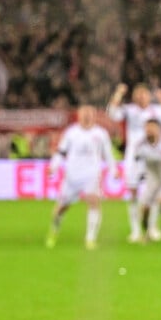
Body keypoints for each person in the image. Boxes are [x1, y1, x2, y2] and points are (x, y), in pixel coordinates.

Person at [45, 104, 116, 250]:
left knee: (94, 202)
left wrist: (113, 169)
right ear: (79, 115)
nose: (87, 116)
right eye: (84, 113)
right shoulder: (71, 133)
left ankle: (90, 239)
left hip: (91, 175)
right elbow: (61, 152)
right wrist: (53, 166)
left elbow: (108, 153)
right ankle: (54, 230)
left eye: (90, 113)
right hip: (72, 176)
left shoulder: (100, 133)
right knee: (62, 207)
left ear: (94, 116)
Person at [106, 82, 161, 243]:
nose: (142, 97)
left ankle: (152, 227)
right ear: (134, 96)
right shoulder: (130, 110)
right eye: (138, 94)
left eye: (144, 94)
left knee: (153, 193)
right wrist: (118, 94)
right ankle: (136, 230)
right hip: (134, 156)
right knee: (133, 192)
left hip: (153, 155)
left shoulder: (157, 110)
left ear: (149, 96)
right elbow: (112, 114)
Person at [133, 118, 161, 242]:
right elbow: (136, 162)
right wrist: (138, 176)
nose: (149, 131)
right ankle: (147, 228)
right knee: (145, 208)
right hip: (152, 181)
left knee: (159, 200)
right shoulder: (140, 145)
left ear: (158, 129)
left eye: (152, 128)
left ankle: (153, 230)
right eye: (147, 128)